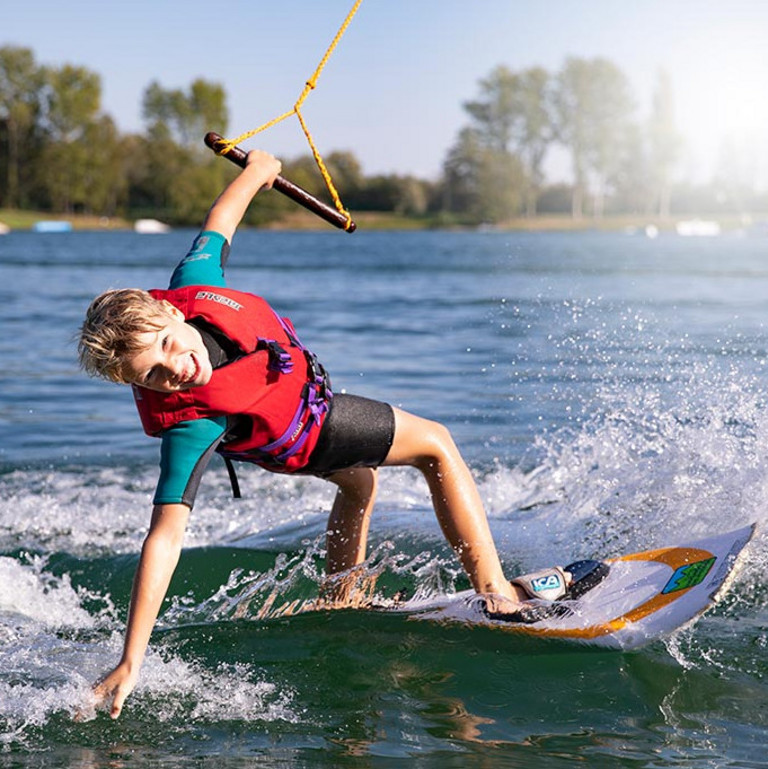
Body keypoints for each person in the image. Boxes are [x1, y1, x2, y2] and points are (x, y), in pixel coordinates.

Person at [78, 150, 550, 720]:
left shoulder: (193, 285)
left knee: (359, 485)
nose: (173, 371)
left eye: (167, 348)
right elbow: (164, 538)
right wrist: (132, 659)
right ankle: (496, 592)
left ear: (170, 311)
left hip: (290, 418)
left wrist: (256, 171)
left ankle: (340, 597)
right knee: (436, 445)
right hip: (310, 429)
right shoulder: (191, 424)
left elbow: (217, 226)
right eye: (151, 376)